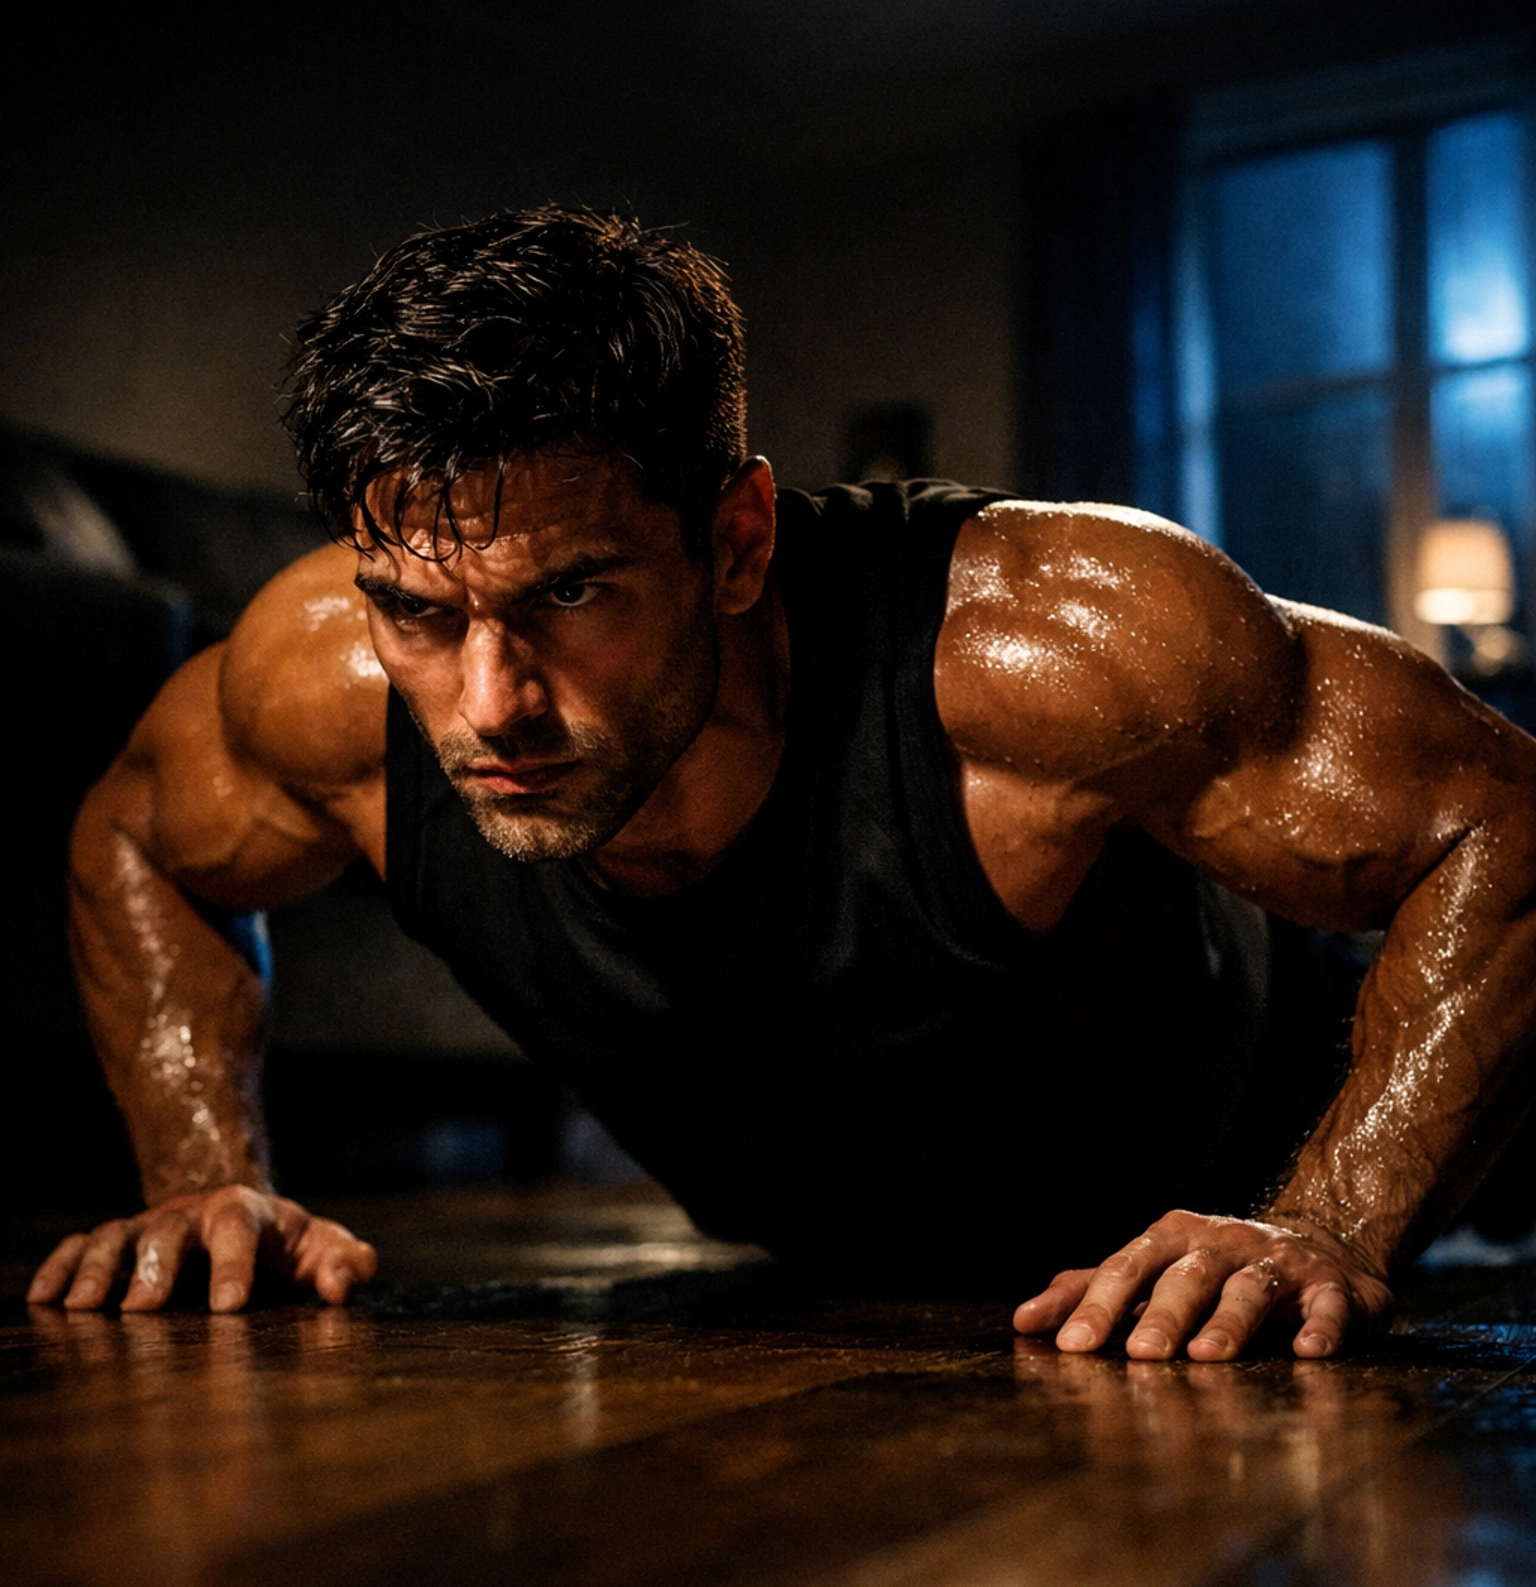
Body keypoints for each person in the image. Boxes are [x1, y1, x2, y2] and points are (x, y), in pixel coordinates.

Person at [29, 206, 1536, 1360]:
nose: (488, 706)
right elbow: (136, 843)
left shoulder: (1041, 646)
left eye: (571, 595)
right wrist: (203, 1177)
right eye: (418, 610)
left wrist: (1327, 1221)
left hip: (1304, 1171)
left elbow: (1504, 817)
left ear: (739, 541)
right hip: (838, 1279)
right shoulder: (318, 684)